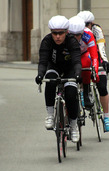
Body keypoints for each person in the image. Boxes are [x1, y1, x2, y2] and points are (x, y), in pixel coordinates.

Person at [35, 15, 82, 143]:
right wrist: (40, 75)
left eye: (61, 33)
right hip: (54, 67)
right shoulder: (47, 41)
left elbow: (77, 60)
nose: (57, 36)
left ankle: (73, 126)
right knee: (49, 81)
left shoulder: (72, 41)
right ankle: (50, 115)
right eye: (54, 33)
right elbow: (43, 62)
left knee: (71, 94)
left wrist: (78, 74)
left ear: (66, 32)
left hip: (69, 69)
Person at [77, 11, 109, 132]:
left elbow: (101, 46)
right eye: (83, 24)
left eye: (87, 24)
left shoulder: (97, 29)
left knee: (102, 86)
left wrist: (105, 61)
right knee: (80, 73)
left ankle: (106, 117)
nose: (86, 27)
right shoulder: (77, 30)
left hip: (96, 55)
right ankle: (82, 92)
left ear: (92, 23)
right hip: (83, 56)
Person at [69, 16, 100, 109]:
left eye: (78, 35)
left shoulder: (88, 34)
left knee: (86, 65)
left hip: (83, 54)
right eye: (72, 35)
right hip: (69, 56)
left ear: (82, 32)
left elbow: (94, 56)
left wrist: (95, 71)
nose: (75, 38)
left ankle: (86, 94)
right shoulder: (64, 33)